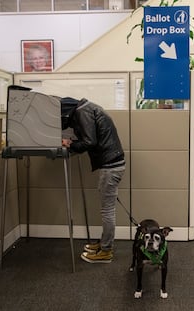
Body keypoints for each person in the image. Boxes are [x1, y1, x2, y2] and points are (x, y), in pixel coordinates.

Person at [61, 97, 125, 264]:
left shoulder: (82, 112)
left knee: (107, 211)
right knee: (107, 210)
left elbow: (89, 141)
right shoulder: (88, 108)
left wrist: (70, 144)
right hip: (113, 164)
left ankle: (106, 251)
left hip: (111, 167)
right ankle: (104, 244)